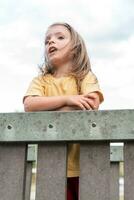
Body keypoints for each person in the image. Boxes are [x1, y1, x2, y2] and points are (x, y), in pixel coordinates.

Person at [23, 22, 104, 200]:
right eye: (47, 40)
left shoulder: (84, 77)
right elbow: (30, 105)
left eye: (59, 37)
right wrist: (69, 100)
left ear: (75, 48)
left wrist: (49, 109)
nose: (51, 42)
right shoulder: (41, 81)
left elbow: (92, 102)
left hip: (84, 163)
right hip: (50, 162)